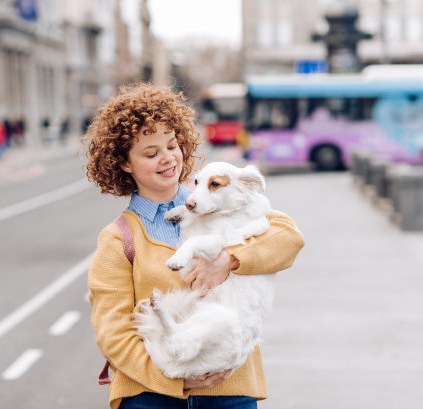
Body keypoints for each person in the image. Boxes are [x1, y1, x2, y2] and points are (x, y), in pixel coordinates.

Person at [82, 83, 305, 409]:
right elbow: (112, 333)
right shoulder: (118, 239)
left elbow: (289, 237)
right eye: (151, 152)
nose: (168, 158)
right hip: (150, 398)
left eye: (172, 145)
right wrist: (173, 379)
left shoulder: (222, 201)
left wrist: (231, 259)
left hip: (231, 389)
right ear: (124, 163)